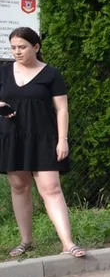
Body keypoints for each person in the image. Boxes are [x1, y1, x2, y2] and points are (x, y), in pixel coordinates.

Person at [0, 27, 86, 258]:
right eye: (14, 48)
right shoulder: (4, 72)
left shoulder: (51, 74)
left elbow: (62, 109)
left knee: (51, 189)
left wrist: (62, 140)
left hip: (44, 138)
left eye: (22, 47)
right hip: (12, 139)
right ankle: (25, 241)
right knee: (19, 188)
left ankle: (67, 243)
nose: (17, 52)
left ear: (36, 47)